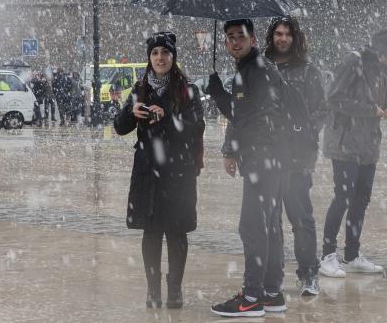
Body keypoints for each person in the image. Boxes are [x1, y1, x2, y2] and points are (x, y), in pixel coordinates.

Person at [114, 31, 205, 309]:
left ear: (173, 57)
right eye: (155, 53)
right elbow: (119, 127)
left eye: (165, 53)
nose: (160, 58)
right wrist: (133, 111)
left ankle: (174, 290)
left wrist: (168, 117)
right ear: (149, 58)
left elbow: (197, 127)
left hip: (177, 171)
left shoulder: (187, 89)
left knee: (176, 232)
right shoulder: (140, 89)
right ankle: (153, 289)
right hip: (148, 171)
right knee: (151, 232)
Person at [208, 18, 287, 317]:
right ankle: (271, 292)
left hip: (262, 157)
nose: (234, 42)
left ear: (252, 39)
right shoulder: (256, 68)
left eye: (240, 36)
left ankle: (252, 297)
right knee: (270, 224)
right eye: (229, 37)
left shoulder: (256, 70)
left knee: (253, 226)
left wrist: (216, 92)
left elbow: (242, 115)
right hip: (273, 156)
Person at [320, 29, 387, 278]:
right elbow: (334, 98)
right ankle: (327, 255)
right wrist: (373, 110)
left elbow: (385, 99)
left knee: (361, 199)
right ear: (383, 51)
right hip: (345, 143)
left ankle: (352, 255)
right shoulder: (353, 61)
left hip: (369, 144)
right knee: (342, 197)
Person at [264, 16, 327, 296]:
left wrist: (304, 132)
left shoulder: (308, 70)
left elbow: (320, 109)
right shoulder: (262, 68)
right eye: (278, 33)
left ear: (295, 37)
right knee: (269, 220)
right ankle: (271, 277)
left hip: (297, 157)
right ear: (272, 37)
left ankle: (308, 274)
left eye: (288, 34)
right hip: (267, 156)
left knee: (301, 218)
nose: (283, 39)